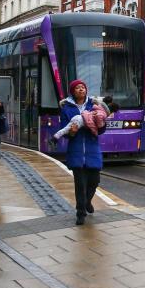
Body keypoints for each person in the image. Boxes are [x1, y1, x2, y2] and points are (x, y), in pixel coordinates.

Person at [53, 79, 107, 226]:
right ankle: (80, 212)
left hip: (92, 149)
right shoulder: (66, 109)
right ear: (73, 91)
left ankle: (88, 201)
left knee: (95, 180)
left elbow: (102, 128)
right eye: (77, 88)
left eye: (83, 87)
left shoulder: (94, 105)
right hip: (76, 150)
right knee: (80, 184)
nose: (81, 89)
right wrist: (72, 132)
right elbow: (64, 130)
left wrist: (98, 126)